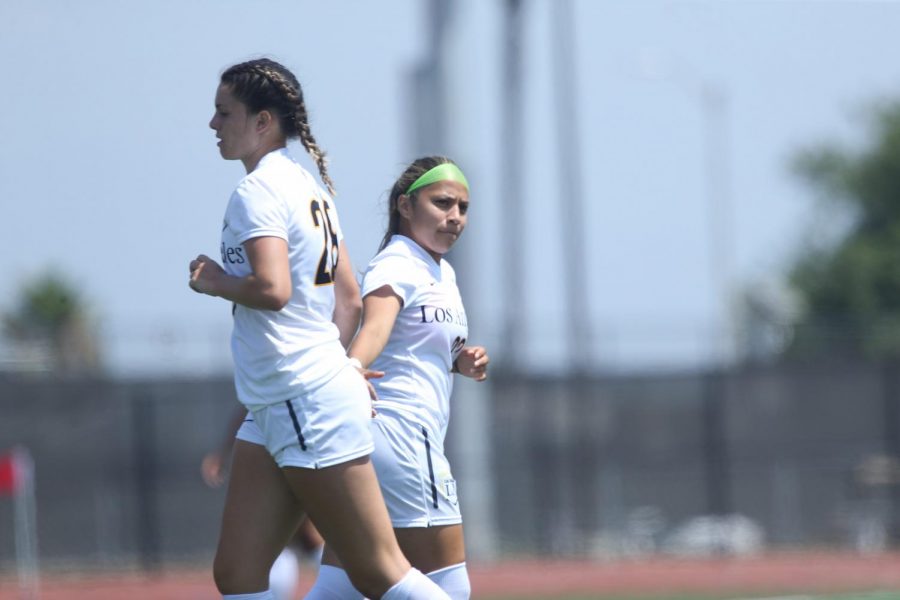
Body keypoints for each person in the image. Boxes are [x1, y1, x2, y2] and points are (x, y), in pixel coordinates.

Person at [189, 58, 452, 600]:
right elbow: (348, 299)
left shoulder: (258, 191)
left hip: (300, 397)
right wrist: (339, 369)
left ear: (263, 121)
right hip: (281, 403)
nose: (213, 124)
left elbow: (273, 288)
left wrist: (215, 281)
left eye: (223, 112)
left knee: (380, 572)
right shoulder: (306, 186)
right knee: (236, 573)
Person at [305, 156, 489, 600]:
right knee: (449, 585)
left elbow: (408, 345)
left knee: (339, 586)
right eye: (442, 202)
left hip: (382, 442)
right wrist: (353, 366)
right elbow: (375, 329)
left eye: (463, 207)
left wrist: (458, 360)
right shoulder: (397, 263)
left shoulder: (440, 270)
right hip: (404, 440)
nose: (455, 217)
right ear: (405, 207)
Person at [201, 406, 325, 600]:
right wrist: (223, 451)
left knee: (306, 537)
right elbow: (248, 401)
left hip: (305, 432)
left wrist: (223, 452)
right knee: (287, 540)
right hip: (277, 433)